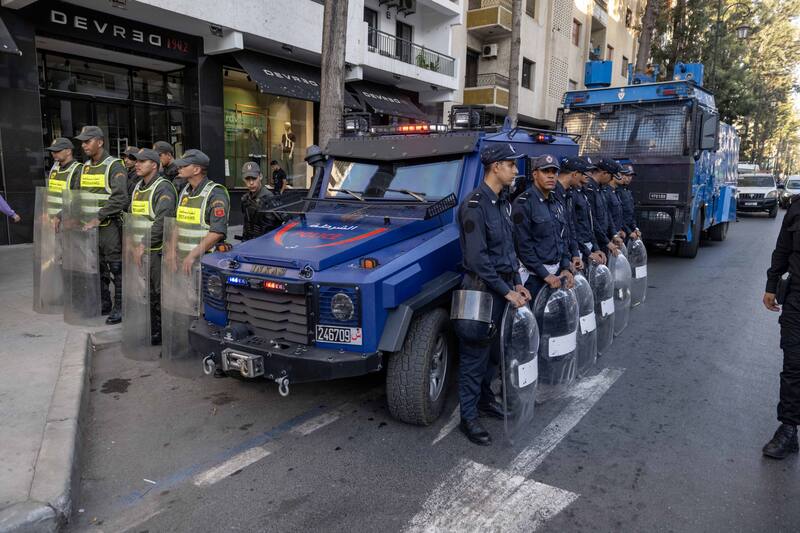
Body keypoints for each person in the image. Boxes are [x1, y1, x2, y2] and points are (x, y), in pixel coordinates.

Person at [456, 143, 531, 446]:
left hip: (502, 289)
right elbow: (478, 259)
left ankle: (486, 400)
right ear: (495, 167)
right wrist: (505, 290)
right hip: (480, 289)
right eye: (511, 164)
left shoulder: (503, 203)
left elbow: (508, 250)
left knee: (492, 354)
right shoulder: (474, 204)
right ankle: (469, 418)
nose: (516, 170)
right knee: (474, 355)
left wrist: (515, 283)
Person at [75, 125, 128, 324]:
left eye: (87, 141)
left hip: (109, 226)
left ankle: (120, 307)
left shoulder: (114, 165)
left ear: (100, 142)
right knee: (96, 266)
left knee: (115, 267)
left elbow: (120, 198)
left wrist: (98, 217)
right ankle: (104, 303)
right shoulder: (86, 166)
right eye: (82, 142)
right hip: (88, 228)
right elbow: (80, 195)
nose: (84, 145)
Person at [763, 200, 800, 459]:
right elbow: (783, 249)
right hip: (797, 297)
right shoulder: (798, 207)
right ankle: (788, 429)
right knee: (793, 365)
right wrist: (771, 284)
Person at [129, 148, 177, 345]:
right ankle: (153, 331)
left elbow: (162, 221)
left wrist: (142, 243)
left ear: (154, 165)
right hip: (141, 251)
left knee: (160, 294)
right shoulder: (138, 186)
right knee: (146, 293)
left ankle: (166, 335)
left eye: (142, 161)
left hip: (156, 251)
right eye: (136, 161)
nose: (137, 164)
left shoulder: (163, 188)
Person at [512, 155, 574, 300]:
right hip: (534, 278)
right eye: (546, 171)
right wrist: (545, 275)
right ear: (534, 174)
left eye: (554, 172)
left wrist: (565, 266)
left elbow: (563, 238)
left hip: (557, 273)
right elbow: (523, 247)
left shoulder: (557, 202)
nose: (551, 176)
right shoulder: (522, 204)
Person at [172, 149, 230, 274]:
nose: (179, 167)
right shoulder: (185, 191)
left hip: (204, 263)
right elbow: (178, 224)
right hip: (183, 261)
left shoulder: (215, 194)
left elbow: (217, 232)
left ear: (197, 170)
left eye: (184, 165)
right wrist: (171, 251)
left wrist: (192, 255)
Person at [561, 156, 606, 266]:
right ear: (576, 174)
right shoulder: (570, 194)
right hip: (575, 249)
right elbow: (573, 228)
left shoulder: (582, 192)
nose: (589, 175)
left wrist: (594, 247)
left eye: (590, 171)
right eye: (585, 172)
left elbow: (589, 222)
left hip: (582, 247)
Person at [584, 157, 622, 258]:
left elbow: (607, 213)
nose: (611, 180)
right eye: (611, 176)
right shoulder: (589, 189)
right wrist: (605, 241)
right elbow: (592, 220)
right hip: (595, 241)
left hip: (603, 239)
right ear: (604, 173)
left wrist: (614, 234)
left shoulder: (600, 189)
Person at [552, 158, 583, 272]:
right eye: (582, 174)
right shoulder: (552, 193)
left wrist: (574, 253)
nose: (585, 178)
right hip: (556, 261)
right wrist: (565, 262)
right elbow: (556, 233)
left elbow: (570, 225)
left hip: (567, 256)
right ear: (575, 174)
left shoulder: (568, 194)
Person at [44, 137, 82, 228]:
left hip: (68, 221)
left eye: (57, 151)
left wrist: (59, 216)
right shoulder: (54, 168)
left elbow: (77, 200)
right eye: (52, 151)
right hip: (52, 221)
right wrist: (45, 212)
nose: (53, 154)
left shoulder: (78, 170)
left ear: (68, 151)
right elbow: (50, 193)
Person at [240, 161, 281, 241]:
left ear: (260, 176)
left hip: (266, 244)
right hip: (249, 244)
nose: (251, 183)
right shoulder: (245, 199)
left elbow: (276, 228)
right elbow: (246, 224)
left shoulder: (269, 198)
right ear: (243, 179)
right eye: (247, 179)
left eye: (254, 178)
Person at [618, 164, 641, 240]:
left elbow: (631, 213)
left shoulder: (627, 191)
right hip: (620, 231)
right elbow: (619, 216)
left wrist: (635, 228)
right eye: (627, 175)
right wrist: (628, 231)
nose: (629, 178)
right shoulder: (617, 191)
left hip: (629, 230)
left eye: (631, 176)